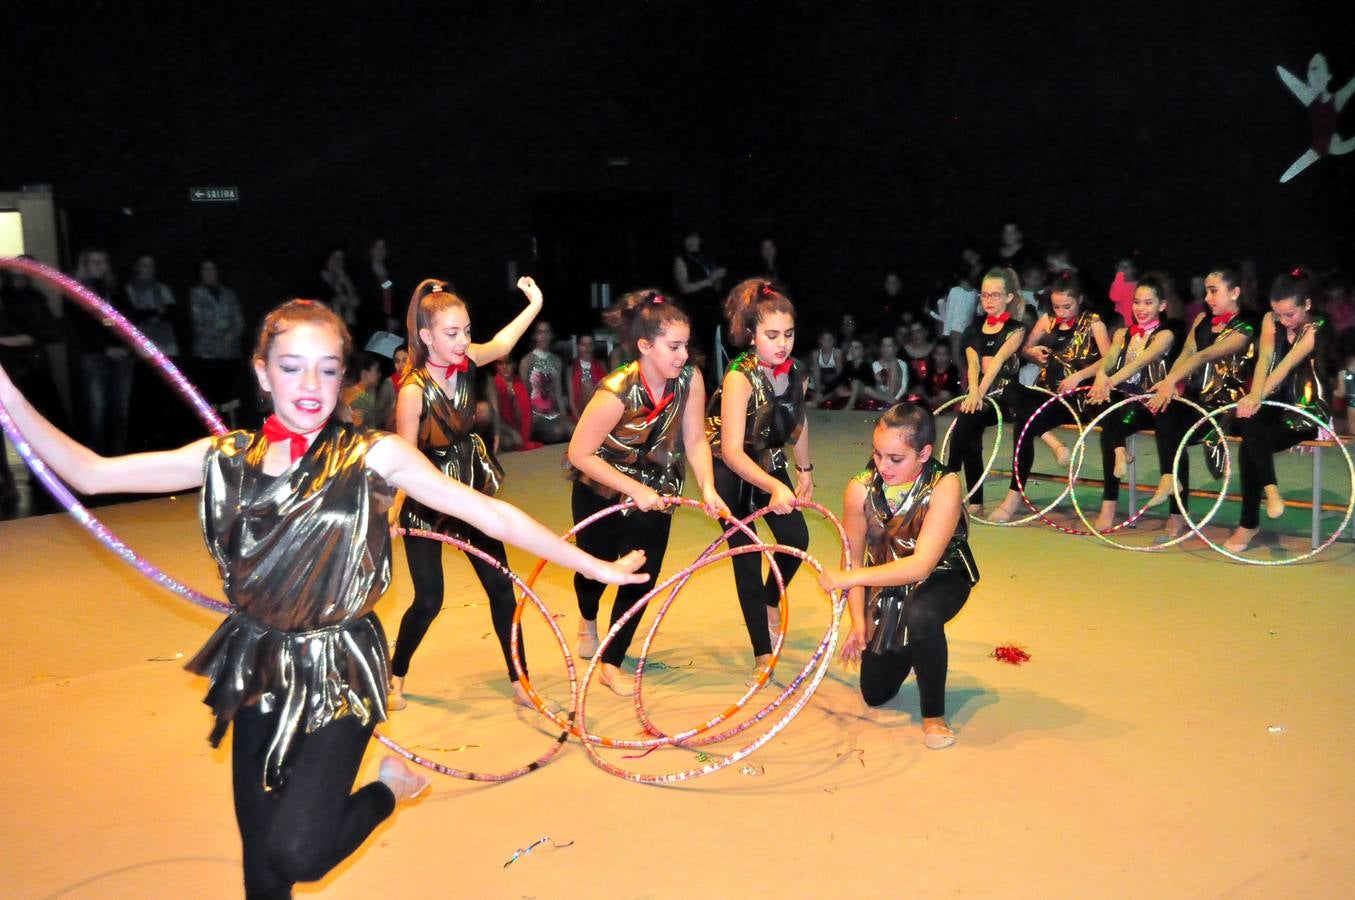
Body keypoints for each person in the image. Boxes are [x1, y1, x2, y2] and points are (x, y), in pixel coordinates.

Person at [0, 298, 646, 898]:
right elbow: (90, 471)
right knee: (264, 872)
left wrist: (592, 563)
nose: (309, 386)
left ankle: (390, 788)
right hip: (255, 661)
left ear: (343, 379)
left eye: (326, 369)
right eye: (291, 367)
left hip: (341, 666)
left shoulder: (374, 455)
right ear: (261, 373)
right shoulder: (224, 457)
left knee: (301, 853)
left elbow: (490, 515)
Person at [388, 276, 545, 711]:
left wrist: (535, 303)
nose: (463, 341)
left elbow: (504, 341)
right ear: (426, 336)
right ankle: (394, 674)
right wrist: (395, 512)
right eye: (452, 333)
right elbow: (403, 457)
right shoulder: (414, 391)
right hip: (426, 489)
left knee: (501, 588)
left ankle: (521, 680)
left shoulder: (470, 360)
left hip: (470, 482)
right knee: (429, 598)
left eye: (466, 331)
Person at [567, 289, 727, 694]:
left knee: (642, 575)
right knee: (595, 571)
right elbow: (579, 453)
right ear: (644, 345)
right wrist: (631, 488)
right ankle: (587, 619)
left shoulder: (689, 381)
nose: (682, 356)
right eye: (673, 347)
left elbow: (694, 440)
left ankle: (611, 660)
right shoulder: (616, 391)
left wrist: (708, 486)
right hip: (600, 489)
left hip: (657, 490)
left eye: (685, 346)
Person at [818, 403, 979, 750]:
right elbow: (853, 558)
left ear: (924, 453)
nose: (882, 466)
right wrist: (860, 622)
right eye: (877, 454)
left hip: (940, 575)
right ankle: (915, 647)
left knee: (921, 615)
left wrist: (849, 580)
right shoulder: (859, 489)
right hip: (888, 583)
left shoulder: (945, 485)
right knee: (875, 693)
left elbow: (920, 566)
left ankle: (934, 716)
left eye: (895, 458)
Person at [708, 279, 812, 684]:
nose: (782, 344)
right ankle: (760, 652)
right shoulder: (740, 377)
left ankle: (773, 599)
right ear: (751, 335)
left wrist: (804, 471)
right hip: (731, 472)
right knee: (747, 557)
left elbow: (799, 423)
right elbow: (732, 452)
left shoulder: (796, 371)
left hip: (769, 462)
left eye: (788, 334)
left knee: (797, 540)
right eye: (771, 335)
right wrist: (774, 486)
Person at [1146, 263, 1259, 538]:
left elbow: (1203, 356)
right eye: (1207, 292)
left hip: (1231, 406)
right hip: (1199, 401)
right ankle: (1174, 503)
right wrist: (1168, 385)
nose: (1207, 298)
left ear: (1234, 292)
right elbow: (1187, 352)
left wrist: (1170, 381)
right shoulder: (1201, 320)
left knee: (1246, 444)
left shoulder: (1246, 325)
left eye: (1213, 291)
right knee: (1167, 412)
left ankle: (1248, 523)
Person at [1224, 269, 1332, 552]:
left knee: (1251, 445)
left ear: (1307, 305)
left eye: (1290, 315)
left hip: (1304, 408)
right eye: (1278, 314)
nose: (1283, 321)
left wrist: (1257, 395)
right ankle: (1271, 491)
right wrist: (1254, 396)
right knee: (1249, 421)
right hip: (1274, 400)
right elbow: (1266, 360)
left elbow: (1286, 366)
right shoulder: (1269, 320)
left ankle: (1248, 524)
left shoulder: (1318, 324)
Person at [989, 271, 1110, 522]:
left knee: (1023, 423)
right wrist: (1032, 352)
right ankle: (1053, 444)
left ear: (1080, 300)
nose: (1062, 312)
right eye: (1057, 306)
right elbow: (1022, 348)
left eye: (1067, 306)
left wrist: (1079, 376)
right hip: (1047, 393)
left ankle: (1013, 497)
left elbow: (1109, 360)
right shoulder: (1047, 320)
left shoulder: (1094, 322)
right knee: (1010, 390)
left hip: (1078, 398)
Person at [1085, 274, 1181, 531]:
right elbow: (1109, 359)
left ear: (1162, 305)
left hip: (1154, 401)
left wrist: (1108, 381)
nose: (1141, 308)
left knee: (1168, 431)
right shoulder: (1122, 333)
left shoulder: (1166, 335)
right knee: (1104, 411)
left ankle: (1176, 513)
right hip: (1126, 400)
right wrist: (1102, 376)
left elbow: (1141, 362)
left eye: (1148, 303)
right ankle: (1110, 499)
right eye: (1137, 302)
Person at [941, 267, 1028, 515]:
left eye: (995, 295)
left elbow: (998, 361)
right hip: (980, 394)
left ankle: (946, 478)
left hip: (1007, 397)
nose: (989, 300)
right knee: (968, 422)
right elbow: (975, 364)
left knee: (969, 416)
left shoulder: (1016, 328)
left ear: (1009, 297)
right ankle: (975, 501)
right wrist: (974, 392)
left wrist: (977, 393)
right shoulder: (973, 329)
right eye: (985, 295)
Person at [187, 259, 247, 411]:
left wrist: (230, 335)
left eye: (212, 269)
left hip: (229, 354)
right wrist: (223, 327)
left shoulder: (229, 294)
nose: (209, 273)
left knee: (228, 399)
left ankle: (229, 428)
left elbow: (239, 320)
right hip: (206, 354)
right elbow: (199, 322)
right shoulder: (196, 294)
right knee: (208, 399)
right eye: (205, 269)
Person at [520, 320, 572, 443]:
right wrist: (527, 421)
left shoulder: (556, 361)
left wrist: (564, 416)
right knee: (556, 433)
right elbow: (524, 395)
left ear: (551, 335)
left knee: (573, 430)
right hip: (536, 415)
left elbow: (558, 392)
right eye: (540, 332)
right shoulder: (527, 361)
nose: (543, 336)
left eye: (546, 332)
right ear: (534, 336)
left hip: (554, 414)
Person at [568, 333, 606, 420]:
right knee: (587, 384)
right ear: (578, 346)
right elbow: (571, 401)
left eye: (590, 345)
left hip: (598, 409)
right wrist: (579, 420)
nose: (587, 349)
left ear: (594, 346)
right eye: (583, 345)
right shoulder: (571, 368)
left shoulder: (601, 365)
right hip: (579, 412)